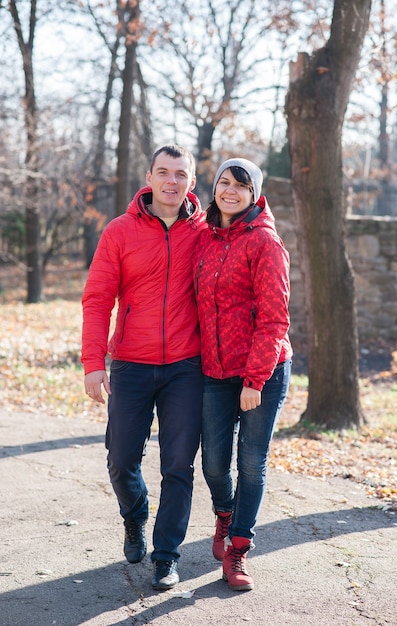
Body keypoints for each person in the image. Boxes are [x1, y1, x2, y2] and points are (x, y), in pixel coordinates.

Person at [81, 144, 206, 591]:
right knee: (120, 461)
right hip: (131, 364)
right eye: (164, 172)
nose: (173, 181)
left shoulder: (207, 232)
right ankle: (135, 517)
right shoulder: (119, 231)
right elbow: (97, 300)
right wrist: (94, 363)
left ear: (192, 181)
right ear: (149, 177)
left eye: (181, 174)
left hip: (186, 368)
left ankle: (166, 557)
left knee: (178, 466)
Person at [193, 158, 292, 591]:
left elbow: (274, 320)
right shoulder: (206, 239)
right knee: (214, 463)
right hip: (215, 370)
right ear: (215, 188)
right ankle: (225, 514)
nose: (230, 190)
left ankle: (238, 548)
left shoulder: (265, 243)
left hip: (262, 373)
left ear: (255, 193)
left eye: (241, 184)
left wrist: (254, 380)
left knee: (251, 463)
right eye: (224, 182)